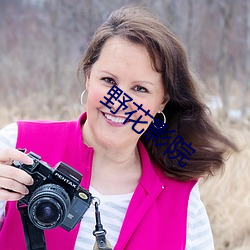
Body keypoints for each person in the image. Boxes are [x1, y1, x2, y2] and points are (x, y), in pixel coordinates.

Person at [0, 6, 237, 250]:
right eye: (109, 81)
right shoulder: (17, 145)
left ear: (161, 103)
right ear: (88, 77)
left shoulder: (182, 199)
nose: (118, 101)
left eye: (140, 89)